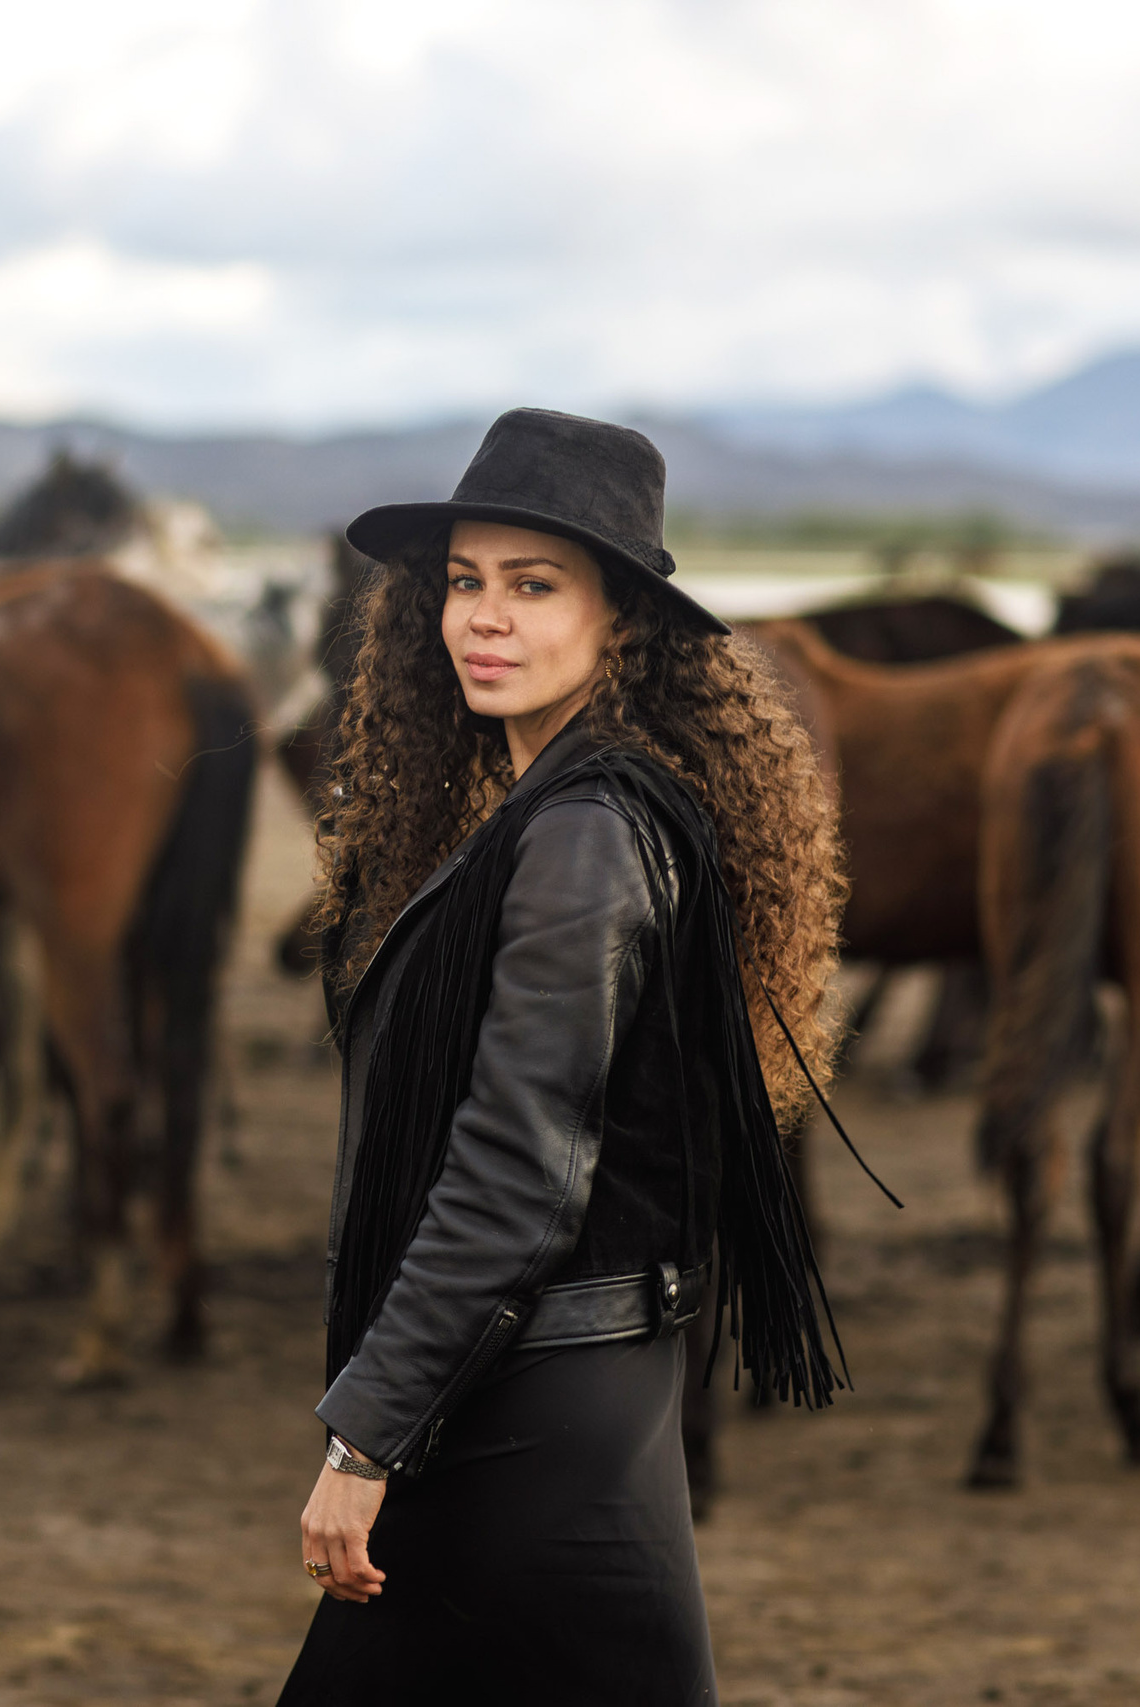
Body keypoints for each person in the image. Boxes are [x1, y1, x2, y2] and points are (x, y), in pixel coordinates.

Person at [279, 408, 850, 1705]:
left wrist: (366, 1434)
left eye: (534, 587)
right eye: (466, 583)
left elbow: (516, 1174)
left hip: (529, 1423)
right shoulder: (552, 815)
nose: (485, 616)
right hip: (560, 1397)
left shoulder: (587, 833)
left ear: (623, 623)